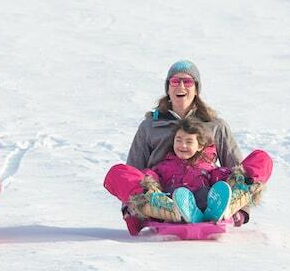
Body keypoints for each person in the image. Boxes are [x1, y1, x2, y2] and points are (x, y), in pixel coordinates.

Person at [103, 60, 272, 234]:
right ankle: (170, 210)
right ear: (168, 89)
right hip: (163, 196)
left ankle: (229, 206)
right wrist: (131, 207)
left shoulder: (215, 125)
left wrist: (242, 208)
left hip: (208, 195)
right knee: (118, 172)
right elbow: (134, 168)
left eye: (188, 81)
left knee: (262, 159)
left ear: (196, 89)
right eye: (175, 81)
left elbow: (237, 169)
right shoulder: (150, 126)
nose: (181, 86)